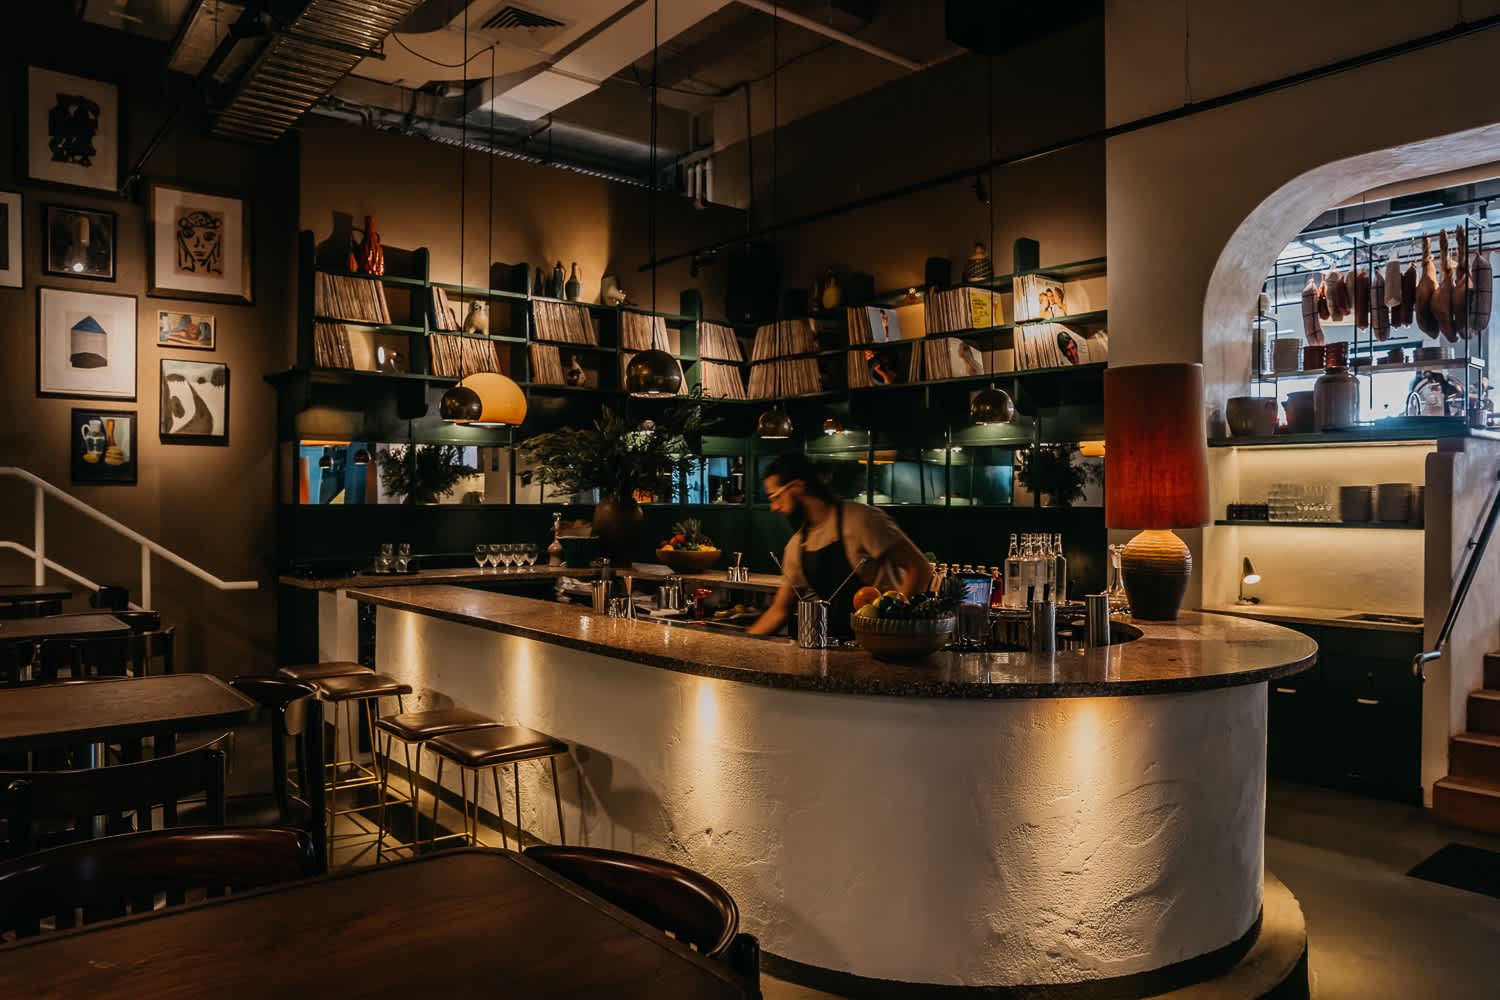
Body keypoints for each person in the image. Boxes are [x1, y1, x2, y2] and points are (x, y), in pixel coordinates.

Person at [748, 452, 932, 637]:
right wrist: (748, 643)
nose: (774, 507)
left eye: (775, 496)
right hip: (834, 649)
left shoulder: (860, 520)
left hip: (881, 645)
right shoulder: (797, 546)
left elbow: (919, 568)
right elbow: (780, 610)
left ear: (797, 487)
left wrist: (892, 626)